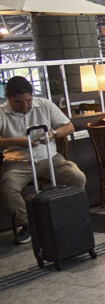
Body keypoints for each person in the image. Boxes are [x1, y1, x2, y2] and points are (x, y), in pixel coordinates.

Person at [0, 76, 87, 245]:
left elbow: (69, 126)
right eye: (19, 103)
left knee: (77, 177)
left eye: (28, 100)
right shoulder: (2, 113)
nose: (25, 106)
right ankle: (28, 224)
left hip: (49, 158)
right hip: (18, 163)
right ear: (9, 98)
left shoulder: (44, 104)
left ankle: (67, 216)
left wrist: (53, 134)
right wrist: (16, 141)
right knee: (7, 187)